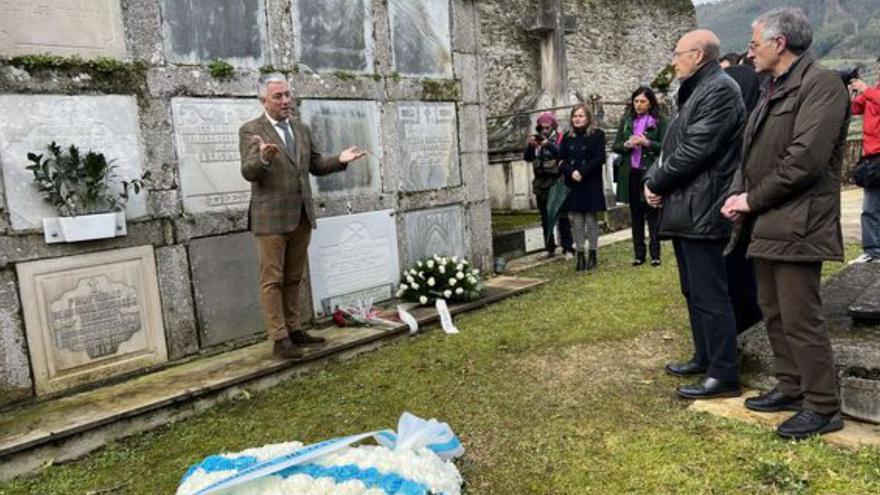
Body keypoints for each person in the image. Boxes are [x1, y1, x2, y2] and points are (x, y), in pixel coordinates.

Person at [722, 8, 850, 439]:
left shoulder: (822, 86)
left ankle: (823, 404)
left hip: (800, 221)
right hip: (769, 219)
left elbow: (804, 162)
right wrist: (741, 195)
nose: (749, 51)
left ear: (780, 44)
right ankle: (791, 385)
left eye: (755, 43)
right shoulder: (772, 86)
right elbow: (754, 152)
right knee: (773, 310)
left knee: (800, 316)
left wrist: (750, 198)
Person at [644, 29, 746, 399]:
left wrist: (655, 180)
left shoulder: (719, 89)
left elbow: (694, 150)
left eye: (679, 54)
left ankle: (724, 372)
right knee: (693, 289)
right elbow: (678, 143)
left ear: (699, 55)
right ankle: (705, 356)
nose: (674, 61)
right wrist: (659, 182)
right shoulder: (698, 89)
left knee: (710, 292)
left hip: (704, 203)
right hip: (688, 202)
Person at [240, 73, 366, 359]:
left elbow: (316, 165)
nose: (285, 100)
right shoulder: (251, 130)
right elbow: (248, 171)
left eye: (287, 94)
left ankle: (294, 329)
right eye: (278, 96)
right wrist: (264, 158)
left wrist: (339, 160)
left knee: (294, 276)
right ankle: (279, 338)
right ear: (263, 100)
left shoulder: (301, 128)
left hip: (300, 216)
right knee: (272, 279)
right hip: (270, 219)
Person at [612, 86, 667, 266]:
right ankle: (639, 254)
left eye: (642, 101)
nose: (638, 105)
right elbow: (616, 145)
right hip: (631, 173)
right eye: (636, 101)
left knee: (652, 214)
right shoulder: (627, 120)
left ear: (650, 103)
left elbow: (666, 146)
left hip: (649, 173)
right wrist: (627, 144)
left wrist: (647, 142)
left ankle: (655, 254)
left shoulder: (659, 121)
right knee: (635, 215)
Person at [559, 104, 607, 272]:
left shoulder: (598, 135)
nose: (577, 119)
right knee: (576, 220)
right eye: (575, 116)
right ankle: (580, 254)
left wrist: (582, 172)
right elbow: (560, 160)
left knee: (591, 220)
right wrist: (571, 172)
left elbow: (599, 158)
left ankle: (593, 253)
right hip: (573, 183)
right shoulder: (566, 137)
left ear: (588, 118)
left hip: (590, 182)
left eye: (580, 116)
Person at [524, 112, 574, 259]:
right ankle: (549, 247)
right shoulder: (536, 139)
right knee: (545, 217)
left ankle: (568, 248)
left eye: (547, 126)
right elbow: (527, 158)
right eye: (542, 127)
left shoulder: (560, 138)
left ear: (552, 125)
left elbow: (562, 154)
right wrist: (531, 146)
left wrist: (549, 145)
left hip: (557, 181)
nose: (544, 129)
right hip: (540, 182)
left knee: (562, 216)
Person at [849, 56, 880, 264]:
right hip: (872, 156)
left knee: (871, 207)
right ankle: (873, 251)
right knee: (871, 206)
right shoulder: (875, 90)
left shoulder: (874, 91)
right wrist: (852, 90)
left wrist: (866, 90)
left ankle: (874, 250)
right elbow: (855, 108)